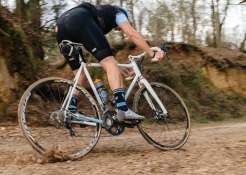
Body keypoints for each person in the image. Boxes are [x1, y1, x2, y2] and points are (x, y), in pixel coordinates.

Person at [55, 2, 164, 121]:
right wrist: (152, 53)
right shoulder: (118, 12)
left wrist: (125, 72)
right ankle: (123, 110)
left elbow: (104, 57)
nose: (117, 30)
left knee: (81, 75)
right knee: (110, 63)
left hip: (61, 27)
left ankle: (70, 111)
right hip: (80, 19)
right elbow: (132, 34)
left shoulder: (99, 18)